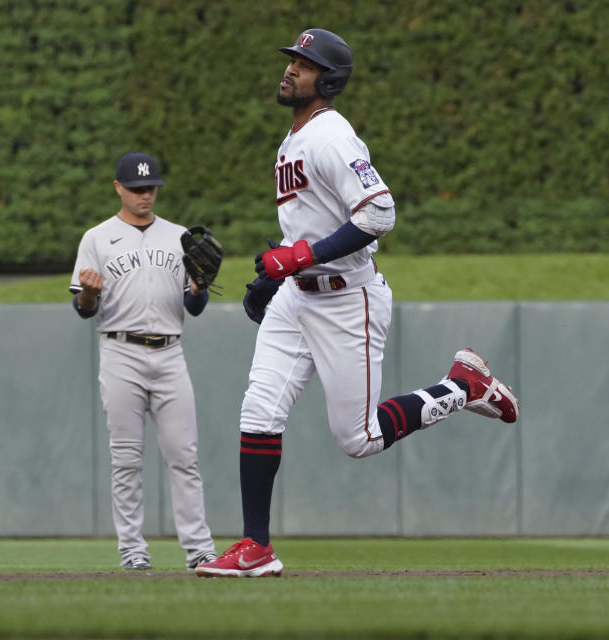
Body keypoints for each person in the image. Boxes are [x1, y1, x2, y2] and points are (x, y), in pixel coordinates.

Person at [195, 29, 519, 578]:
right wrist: (277, 270)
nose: (292, 68)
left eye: (304, 63)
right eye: (292, 60)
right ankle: (256, 547)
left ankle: (463, 386)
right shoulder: (294, 138)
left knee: (359, 438)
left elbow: (379, 214)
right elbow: (312, 227)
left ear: (329, 79)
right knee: (258, 412)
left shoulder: (330, 135)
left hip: (348, 300)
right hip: (297, 300)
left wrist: (298, 257)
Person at [70, 151, 217, 571]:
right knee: (127, 459)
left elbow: (196, 306)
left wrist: (200, 288)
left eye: (150, 187)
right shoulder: (96, 238)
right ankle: (133, 552)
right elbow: (83, 309)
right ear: (118, 188)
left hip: (171, 352)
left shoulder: (181, 236)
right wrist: (89, 293)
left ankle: (199, 550)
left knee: (184, 457)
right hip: (120, 351)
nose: (145, 194)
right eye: (136, 188)